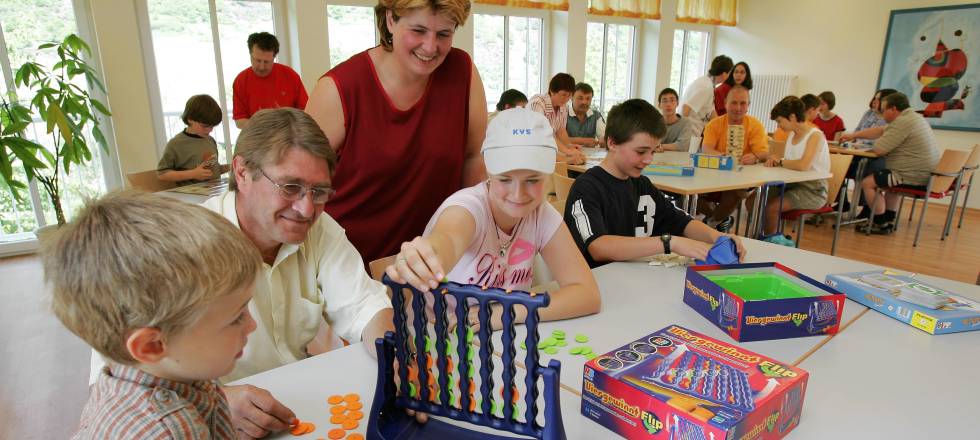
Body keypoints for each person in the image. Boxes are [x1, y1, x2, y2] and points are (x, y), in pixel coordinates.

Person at [91, 109, 396, 439]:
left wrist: (395, 356)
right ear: (242, 171)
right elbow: (116, 376)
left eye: (319, 192)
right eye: (290, 187)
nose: (307, 209)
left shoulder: (320, 230)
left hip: (296, 403)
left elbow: (365, 306)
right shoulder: (180, 249)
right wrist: (217, 402)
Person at [48, 191, 261, 439]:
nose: (252, 325)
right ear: (152, 345)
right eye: (236, 317)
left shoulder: (165, 374)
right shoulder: (167, 432)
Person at [306, 0, 488, 265]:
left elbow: (473, 159)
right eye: (418, 30)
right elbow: (304, 185)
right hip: (351, 269)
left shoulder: (462, 71)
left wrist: (470, 241)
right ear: (390, 19)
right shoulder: (339, 89)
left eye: (443, 34)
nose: (430, 47)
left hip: (432, 264)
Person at [387, 108, 600, 327]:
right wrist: (429, 254)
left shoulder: (542, 214)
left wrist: (508, 313)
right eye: (505, 179)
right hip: (433, 337)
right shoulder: (468, 207)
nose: (518, 195)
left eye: (532, 180)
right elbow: (448, 240)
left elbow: (587, 294)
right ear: (489, 172)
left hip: (497, 340)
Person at [564, 98, 746, 268]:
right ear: (612, 143)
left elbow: (681, 221)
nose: (648, 159)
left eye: (653, 151)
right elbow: (598, 247)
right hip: (599, 284)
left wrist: (718, 237)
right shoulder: (587, 188)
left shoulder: (642, 185)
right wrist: (669, 242)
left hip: (634, 280)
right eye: (641, 151)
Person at [859, 92, 940, 234]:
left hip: (911, 175)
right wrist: (854, 135)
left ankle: (879, 223)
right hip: (925, 173)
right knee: (890, 182)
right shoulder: (913, 117)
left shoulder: (902, 122)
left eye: (884, 110)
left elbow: (879, 149)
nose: (882, 114)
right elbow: (881, 130)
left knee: (867, 183)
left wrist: (874, 143)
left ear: (893, 109)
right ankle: (889, 220)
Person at [757, 96, 831, 237]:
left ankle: (769, 243)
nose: (778, 126)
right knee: (755, 199)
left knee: (772, 207)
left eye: (779, 121)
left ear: (791, 117)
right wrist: (776, 160)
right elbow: (790, 163)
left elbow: (803, 165)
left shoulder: (815, 136)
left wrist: (780, 161)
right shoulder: (792, 135)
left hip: (813, 190)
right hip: (793, 184)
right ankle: (761, 236)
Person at [698, 85, 770, 231]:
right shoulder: (714, 124)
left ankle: (712, 223)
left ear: (748, 106)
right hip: (713, 174)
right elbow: (706, 148)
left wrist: (755, 156)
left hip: (740, 179)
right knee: (686, 194)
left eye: (742, 103)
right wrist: (721, 156)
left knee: (734, 192)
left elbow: (764, 153)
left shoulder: (755, 125)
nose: (738, 108)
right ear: (725, 104)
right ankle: (718, 219)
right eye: (733, 103)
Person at [233, 32, 309, 129]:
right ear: (250, 55)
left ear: (274, 57)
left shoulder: (290, 75)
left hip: (288, 135)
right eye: (257, 60)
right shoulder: (241, 81)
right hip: (257, 136)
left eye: (266, 62)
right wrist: (267, 128)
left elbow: (305, 112)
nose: (261, 67)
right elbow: (240, 120)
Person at [157, 94, 229, 186]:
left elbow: (213, 170)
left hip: (213, 191)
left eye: (212, 126)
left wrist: (231, 167)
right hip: (192, 195)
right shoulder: (176, 144)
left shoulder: (210, 140)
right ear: (190, 119)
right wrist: (192, 174)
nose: (210, 130)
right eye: (205, 126)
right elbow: (162, 174)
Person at [529, 73, 586, 164]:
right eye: (563, 95)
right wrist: (567, 152)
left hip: (546, 152)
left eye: (569, 95)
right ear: (552, 91)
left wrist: (569, 146)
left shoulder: (563, 106)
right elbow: (542, 134)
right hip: (532, 152)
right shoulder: (538, 103)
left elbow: (561, 131)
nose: (566, 99)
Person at [681, 55, 733, 137]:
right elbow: (686, 108)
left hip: (695, 131)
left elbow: (711, 112)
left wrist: (724, 129)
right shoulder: (706, 87)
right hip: (690, 133)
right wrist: (683, 134)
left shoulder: (708, 84)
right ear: (724, 74)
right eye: (730, 73)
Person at [566, 82, 606, 148]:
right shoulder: (563, 113)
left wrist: (604, 141)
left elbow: (603, 136)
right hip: (567, 155)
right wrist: (583, 141)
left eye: (588, 99)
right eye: (580, 98)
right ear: (571, 97)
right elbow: (558, 139)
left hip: (591, 156)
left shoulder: (596, 115)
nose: (584, 102)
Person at [656, 87, 692, 152]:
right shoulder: (653, 122)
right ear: (659, 105)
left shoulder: (686, 122)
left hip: (677, 160)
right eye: (664, 101)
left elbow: (683, 146)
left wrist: (660, 146)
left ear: (677, 103)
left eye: (672, 100)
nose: (668, 104)